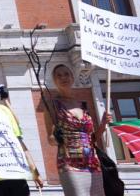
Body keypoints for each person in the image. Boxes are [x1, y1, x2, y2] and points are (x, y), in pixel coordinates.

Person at [40, 64, 110, 196]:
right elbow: (50, 139)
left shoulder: (83, 105)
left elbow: (92, 139)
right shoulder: (52, 105)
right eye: (58, 75)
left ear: (72, 77)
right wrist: (56, 137)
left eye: (66, 74)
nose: (63, 78)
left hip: (92, 162)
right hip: (69, 163)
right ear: (54, 81)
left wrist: (103, 124)